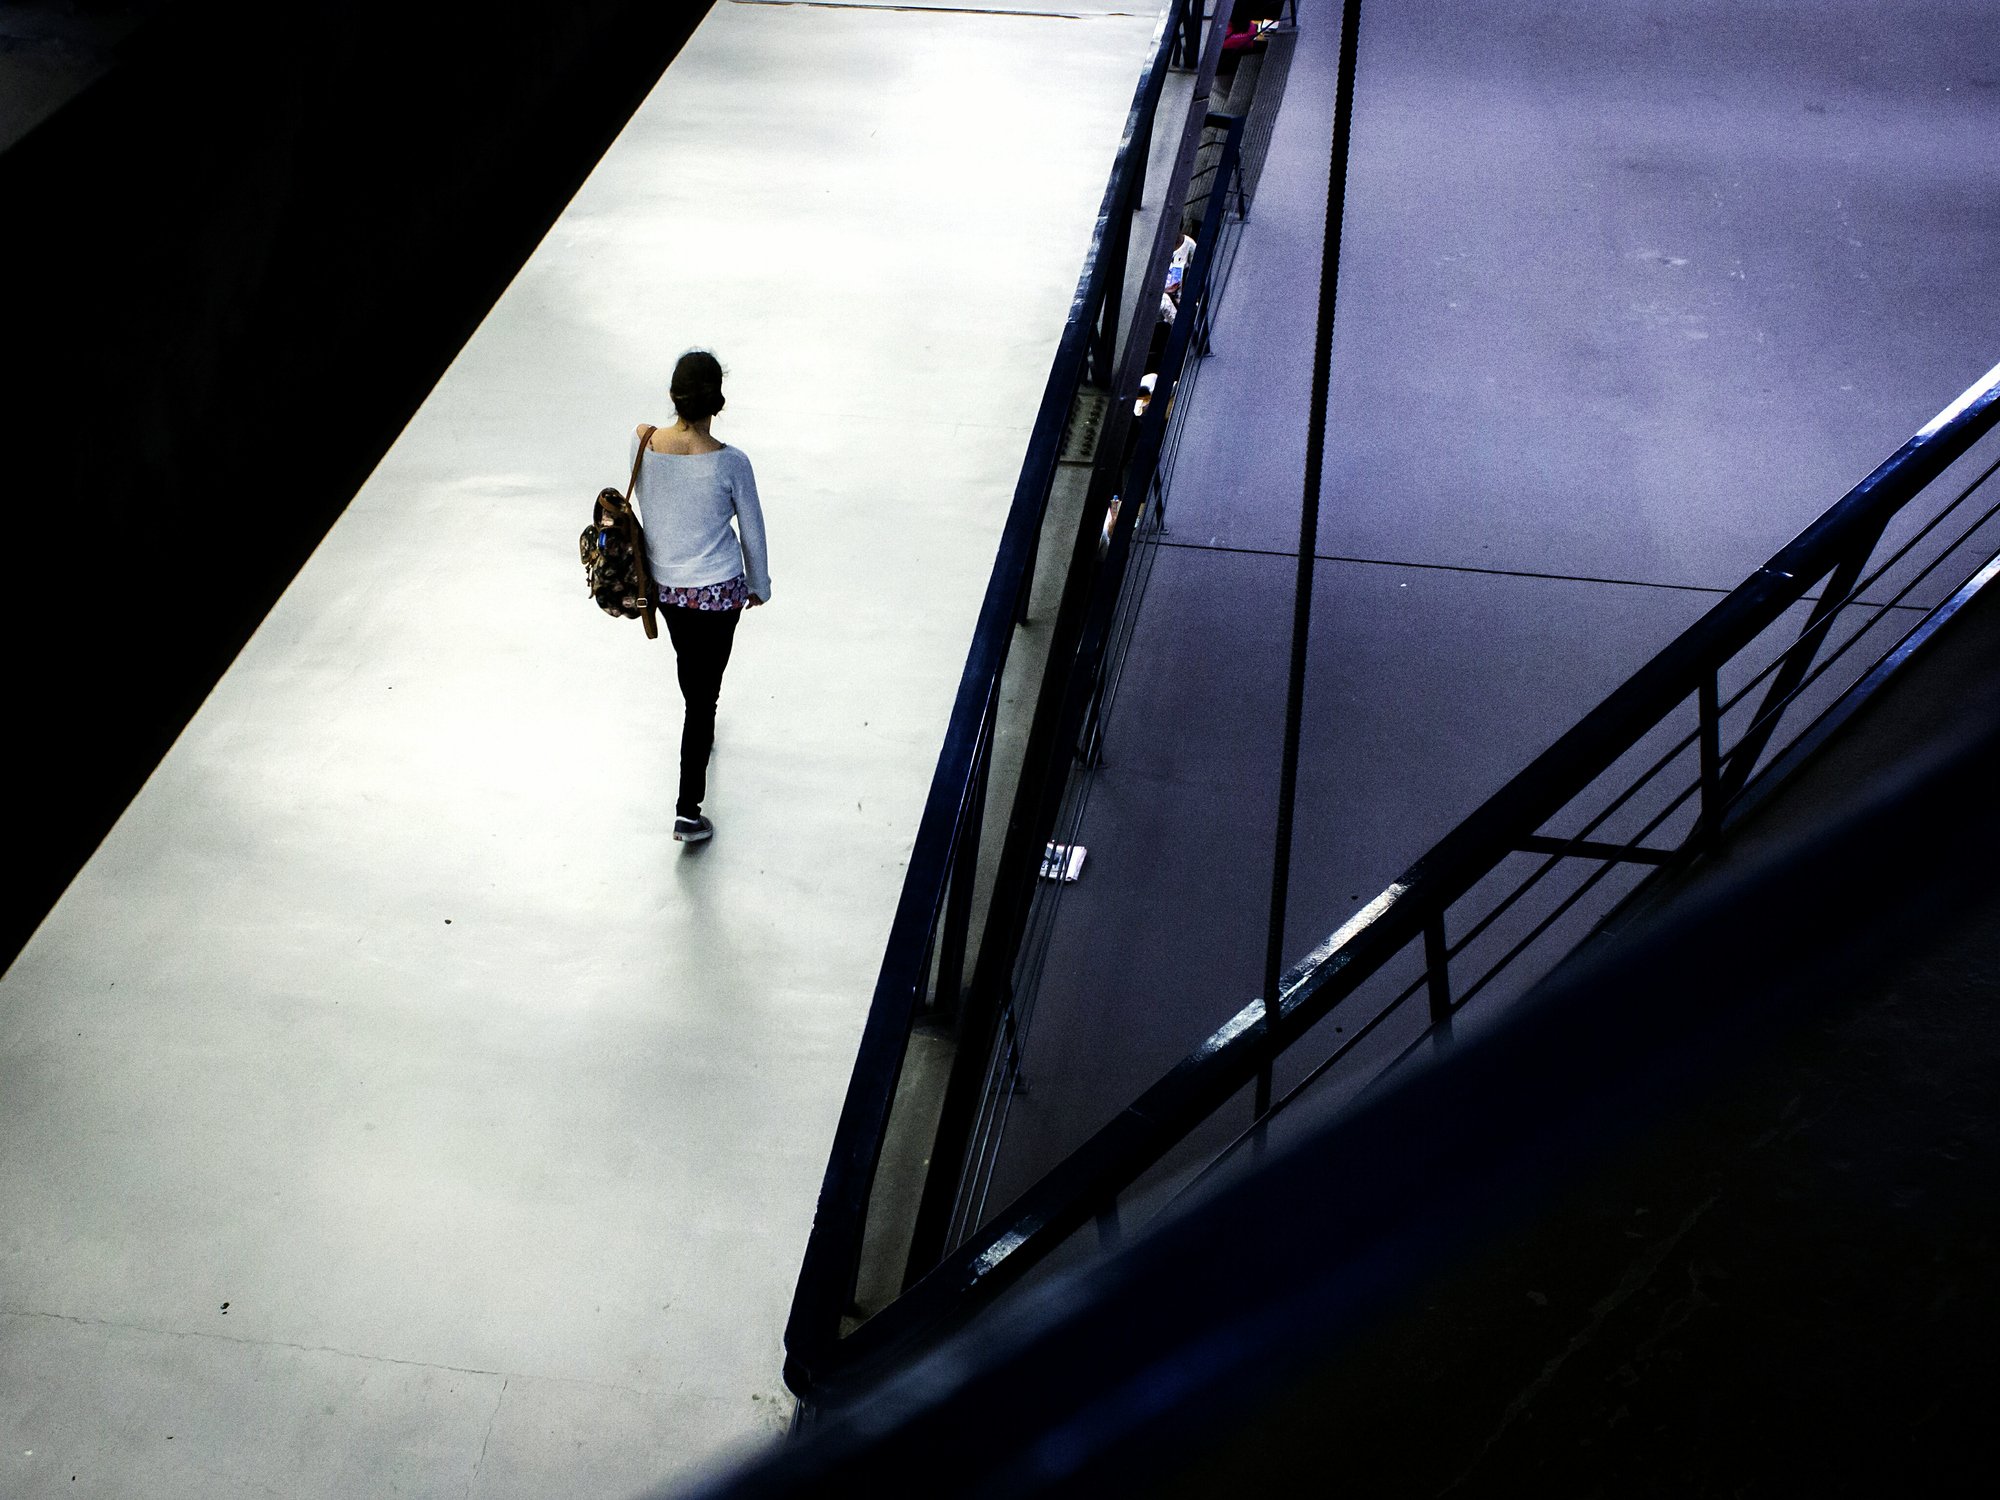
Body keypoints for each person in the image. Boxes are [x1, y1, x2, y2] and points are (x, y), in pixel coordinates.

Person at [630, 349, 771, 845]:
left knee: (692, 672)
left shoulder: (642, 442)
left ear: (674, 396)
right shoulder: (732, 463)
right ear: (719, 401)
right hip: (719, 595)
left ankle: (701, 725)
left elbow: (651, 495)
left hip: (665, 590)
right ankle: (688, 811)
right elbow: (752, 531)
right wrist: (760, 585)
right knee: (703, 696)